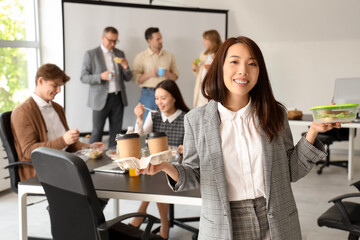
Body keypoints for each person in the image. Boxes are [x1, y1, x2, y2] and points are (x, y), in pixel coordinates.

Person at [137, 36, 341, 240]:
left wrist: (313, 131)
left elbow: (290, 171)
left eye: (252, 64)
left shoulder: (275, 114)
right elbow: (194, 174)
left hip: (276, 220)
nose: (243, 70)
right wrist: (165, 166)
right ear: (220, 68)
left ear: (259, 72)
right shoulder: (196, 120)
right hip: (224, 224)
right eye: (234, 62)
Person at [11, 63, 104, 181]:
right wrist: (63, 140)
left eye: (60, 86)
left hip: (63, 161)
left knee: (102, 173)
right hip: (41, 168)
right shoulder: (22, 112)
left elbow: (69, 145)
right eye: (55, 85)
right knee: (93, 182)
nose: (59, 90)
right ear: (40, 81)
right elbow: (29, 152)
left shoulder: (57, 108)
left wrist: (90, 147)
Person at [130, 80, 190, 239]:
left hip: (178, 166)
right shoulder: (154, 116)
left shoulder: (187, 118)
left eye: (163, 98)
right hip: (157, 165)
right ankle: (163, 223)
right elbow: (140, 141)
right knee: (152, 173)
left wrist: (186, 149)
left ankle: (142, 215)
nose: (159, 102)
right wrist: (139, 119)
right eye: (157, 99)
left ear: (174, 98)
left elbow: (194, 147)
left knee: (158, 176)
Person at [81, 26, 132, 148]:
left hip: (118, 98)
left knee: (116, 133)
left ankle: (113, 163)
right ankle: (91, 161)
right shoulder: (91, 54)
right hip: (99, 99)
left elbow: (128, 78)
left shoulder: (120, 53)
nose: (113, 44)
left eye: (115, 41)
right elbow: (83, 77)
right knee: (97, 131)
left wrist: (126, 67)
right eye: (110, 40)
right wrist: (100, 76)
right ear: (103, 38)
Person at [132, 27, 179, 121]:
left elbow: (175, 76)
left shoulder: (169, 55)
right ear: (149, 40)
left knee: (168, 121)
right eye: (158, 39)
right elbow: (135, 79)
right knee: (146, 123)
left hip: (167, 93)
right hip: (148, 94)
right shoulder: (141, 57)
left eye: (161, 38)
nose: (161, 41)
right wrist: (150, 74)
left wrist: (167, 73)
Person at [192, 29, 222, 108]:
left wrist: (212, 68)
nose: (203, 42)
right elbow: (199, 73)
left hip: (212, 88)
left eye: (205, 39)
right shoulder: (203, 54)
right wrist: (195, 68)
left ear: (212, 40)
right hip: (201, 87)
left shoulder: (220, 54)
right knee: (199, 109)